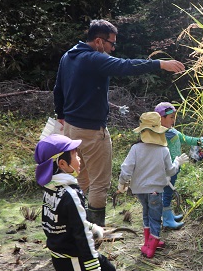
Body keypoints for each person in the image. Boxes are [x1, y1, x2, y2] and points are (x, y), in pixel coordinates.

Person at [54, 19, 185, 227]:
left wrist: (61, 114)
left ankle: (73, 223)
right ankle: (95, 232)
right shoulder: (94, 58)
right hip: (92, 131)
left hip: (70, 128)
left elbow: (58, 88)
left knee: (81, 177)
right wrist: (160, 64)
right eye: (111, 43)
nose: (113, 48)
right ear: (98, 41)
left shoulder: (68, 56)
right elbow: (125, 66)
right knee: (99, 183)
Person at [34, 134, 116, 271]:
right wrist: (93, 268)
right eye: (75, 155)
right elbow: (82, 237)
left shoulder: (51, 188)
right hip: (73, 257)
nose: (79, 159)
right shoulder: (69, 193)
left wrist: (90, 226)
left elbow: (65, 221)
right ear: (62, 163)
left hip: (63, 254)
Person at [117, 112, 189, 258]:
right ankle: (151, 248)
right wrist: (177, 162)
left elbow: (126, 169)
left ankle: (148, 242)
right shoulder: (164, 150)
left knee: (146, 214)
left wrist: (122, 184)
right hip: (155, 191)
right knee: (155, 218)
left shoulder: (136, 149)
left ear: (143, 131)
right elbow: (170, 170)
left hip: (139, 191)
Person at [155, 102, 202, 229]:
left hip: (175, 167)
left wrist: (200, 141)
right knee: (167, 192)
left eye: (174, 117)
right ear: (161, 118)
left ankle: (168, 214)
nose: (173, 120)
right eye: (171, 117)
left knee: (169, 192)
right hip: (166, 170)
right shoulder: (159, 134)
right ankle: (167, 219)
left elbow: (185, 138)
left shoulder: (172, 131)